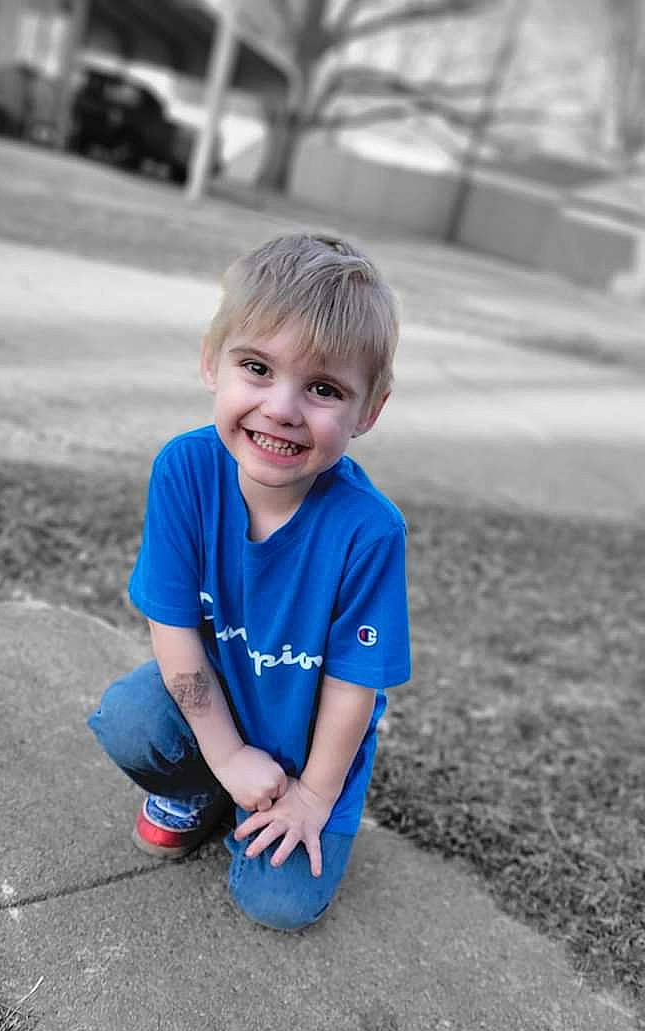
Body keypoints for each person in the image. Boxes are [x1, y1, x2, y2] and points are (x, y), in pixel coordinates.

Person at [88, 232, 411, 931]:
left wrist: (314, 799)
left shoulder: (369, 531)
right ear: (213, 363)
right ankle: (202, 788)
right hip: (216, 707)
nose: (283, 408)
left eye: (324, 388)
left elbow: (356, 686)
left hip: (307, 742)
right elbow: (173, 630)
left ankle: (269, 802)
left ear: (368, 413)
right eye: (258, 368)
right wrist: (227, 755)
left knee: (279, 903)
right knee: (131, 720)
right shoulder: (185, 471)